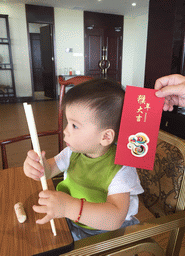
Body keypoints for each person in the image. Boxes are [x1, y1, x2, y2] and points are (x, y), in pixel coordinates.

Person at [23, 78, 144, 241]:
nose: (65, 131)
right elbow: (50, 169)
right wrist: (38, 166)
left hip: (104, 233)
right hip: (73, 221)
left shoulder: (121, 168)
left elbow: (115, 217)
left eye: (74, 126)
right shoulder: (73, 152)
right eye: (68, 122)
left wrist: (68, 207)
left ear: (106, 136)